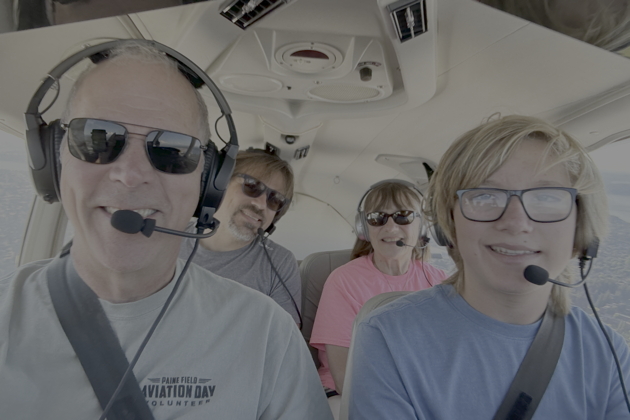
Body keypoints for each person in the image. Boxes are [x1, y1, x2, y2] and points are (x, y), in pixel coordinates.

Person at [0, 42, 333, 420]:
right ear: (53, 158)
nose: (130, 175)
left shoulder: (268, 335)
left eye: (172, 149)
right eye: (97, 137)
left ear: (207, 181)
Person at [348, 115, 630, 419]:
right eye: (485, 196)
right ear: (449, 224)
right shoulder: (388, 336)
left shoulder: (608, 353)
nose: (516, 222)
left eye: (546, 197)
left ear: (581, 229)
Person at [310, 180, 447, 396]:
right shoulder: (343, 280)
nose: (391, 228)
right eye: (377, 218)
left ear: (422, 226)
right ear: (364, 228)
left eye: (404, 216)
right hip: (349, 394)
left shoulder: (440, 280)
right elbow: (344, 377)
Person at [179, 149, 301, 323]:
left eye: (275, 199)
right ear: (218, 184)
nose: (260, 204)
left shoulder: (280, 263)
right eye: (251, 185)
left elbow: (283, 343)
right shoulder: (167, 234)